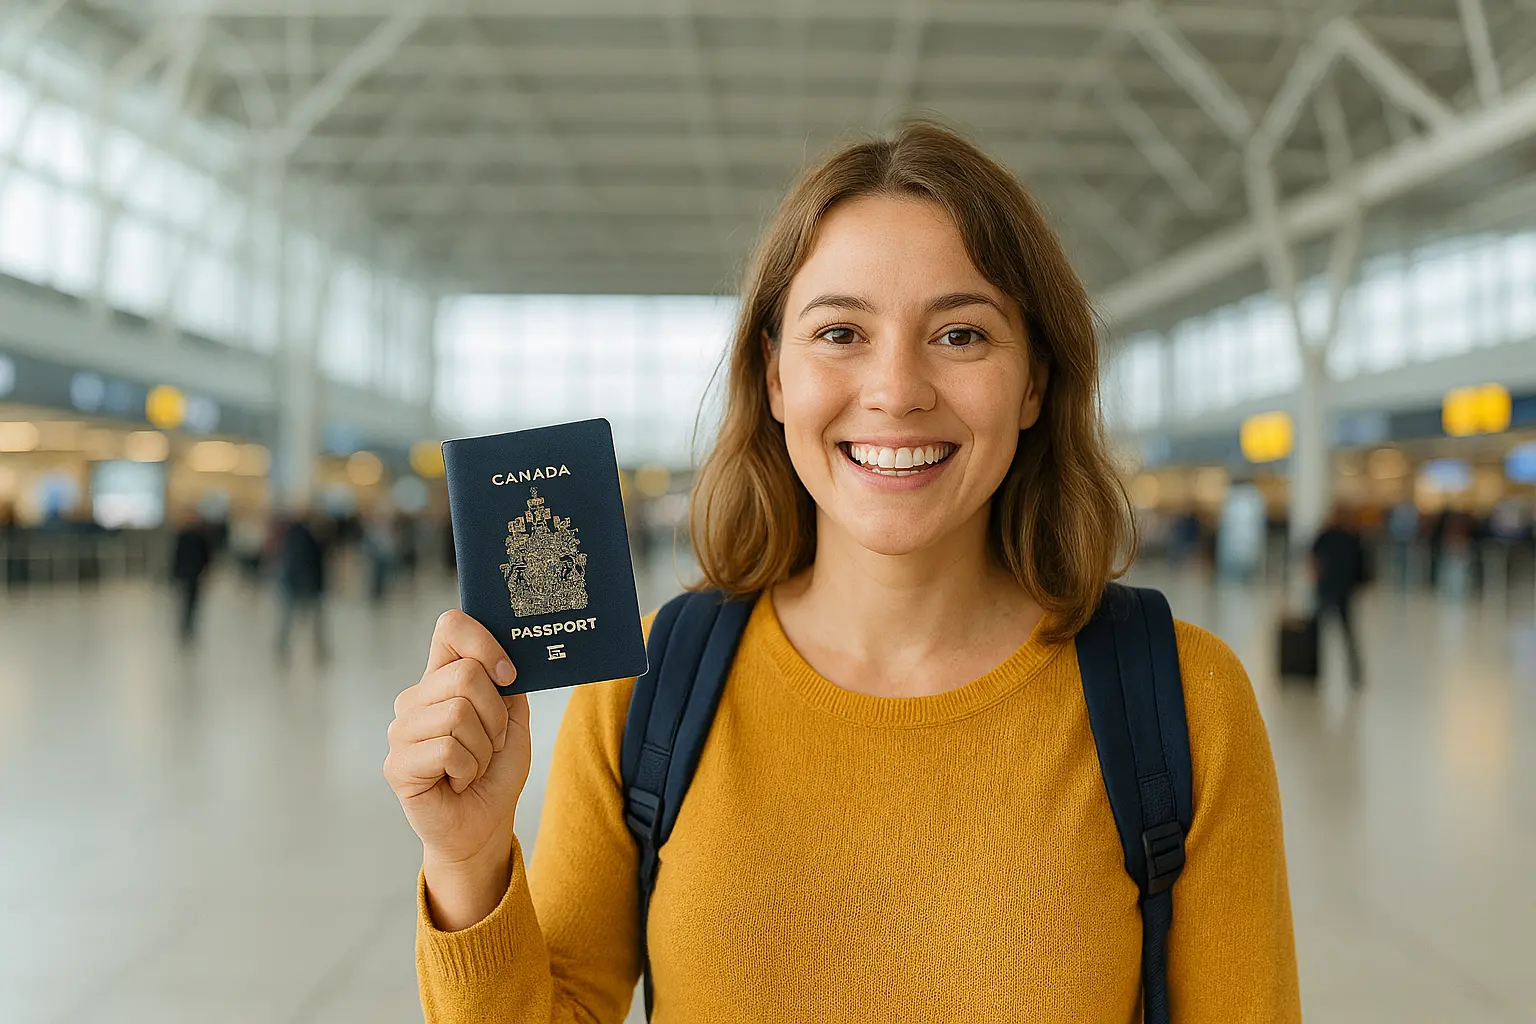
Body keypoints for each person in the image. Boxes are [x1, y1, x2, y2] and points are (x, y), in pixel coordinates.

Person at [384, 123, 1300, 1022]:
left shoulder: (1184, 700)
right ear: (775, 378)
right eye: (839, 333)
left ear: (1034, 384)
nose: (896, 390)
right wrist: (468, 863)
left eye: (963, 336)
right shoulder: (648, 688)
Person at [1311, 504, 1366, 685]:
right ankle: (1354, 674)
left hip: (1330, 589)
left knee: (1322, 632)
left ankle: (1315, 671)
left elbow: (1313, 559)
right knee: (1345, 633)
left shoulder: (1328, 535)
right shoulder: (1350, 537)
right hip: (1341, 590)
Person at [276, 510, 329, 662]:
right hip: (301, 583)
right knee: (292, 617)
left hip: (305, 582)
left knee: (312, 619)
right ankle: (283, 646)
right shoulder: (300, 535)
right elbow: (300, 561)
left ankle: (318, 646)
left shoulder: (311, 535)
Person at [169, 511, 212, 644]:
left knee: (187, 599)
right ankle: (187, 623)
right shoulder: (198, 535)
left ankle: (186, 623)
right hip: (193, 571)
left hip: (189, 571)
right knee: (189, 599)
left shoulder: (189, 535)